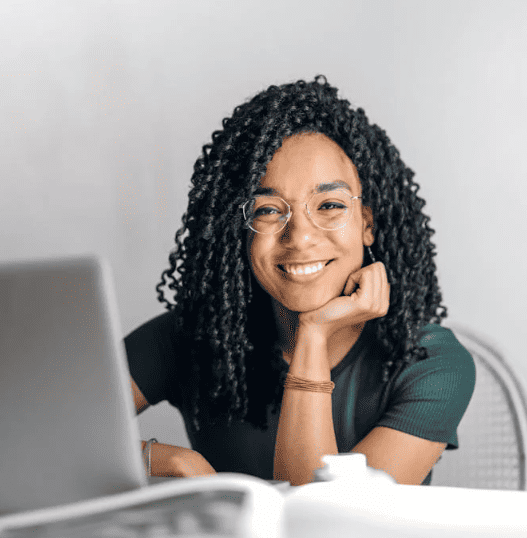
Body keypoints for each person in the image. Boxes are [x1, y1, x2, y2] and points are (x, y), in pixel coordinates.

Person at [125, 76, 475, 486]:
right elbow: (39, 437)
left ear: (368, 224)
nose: (301, 236)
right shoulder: (192, 336)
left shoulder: (431, 363)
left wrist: (314, 332)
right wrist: (162, 459)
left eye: (329, 205)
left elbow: (325, 526)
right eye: (268, 210)